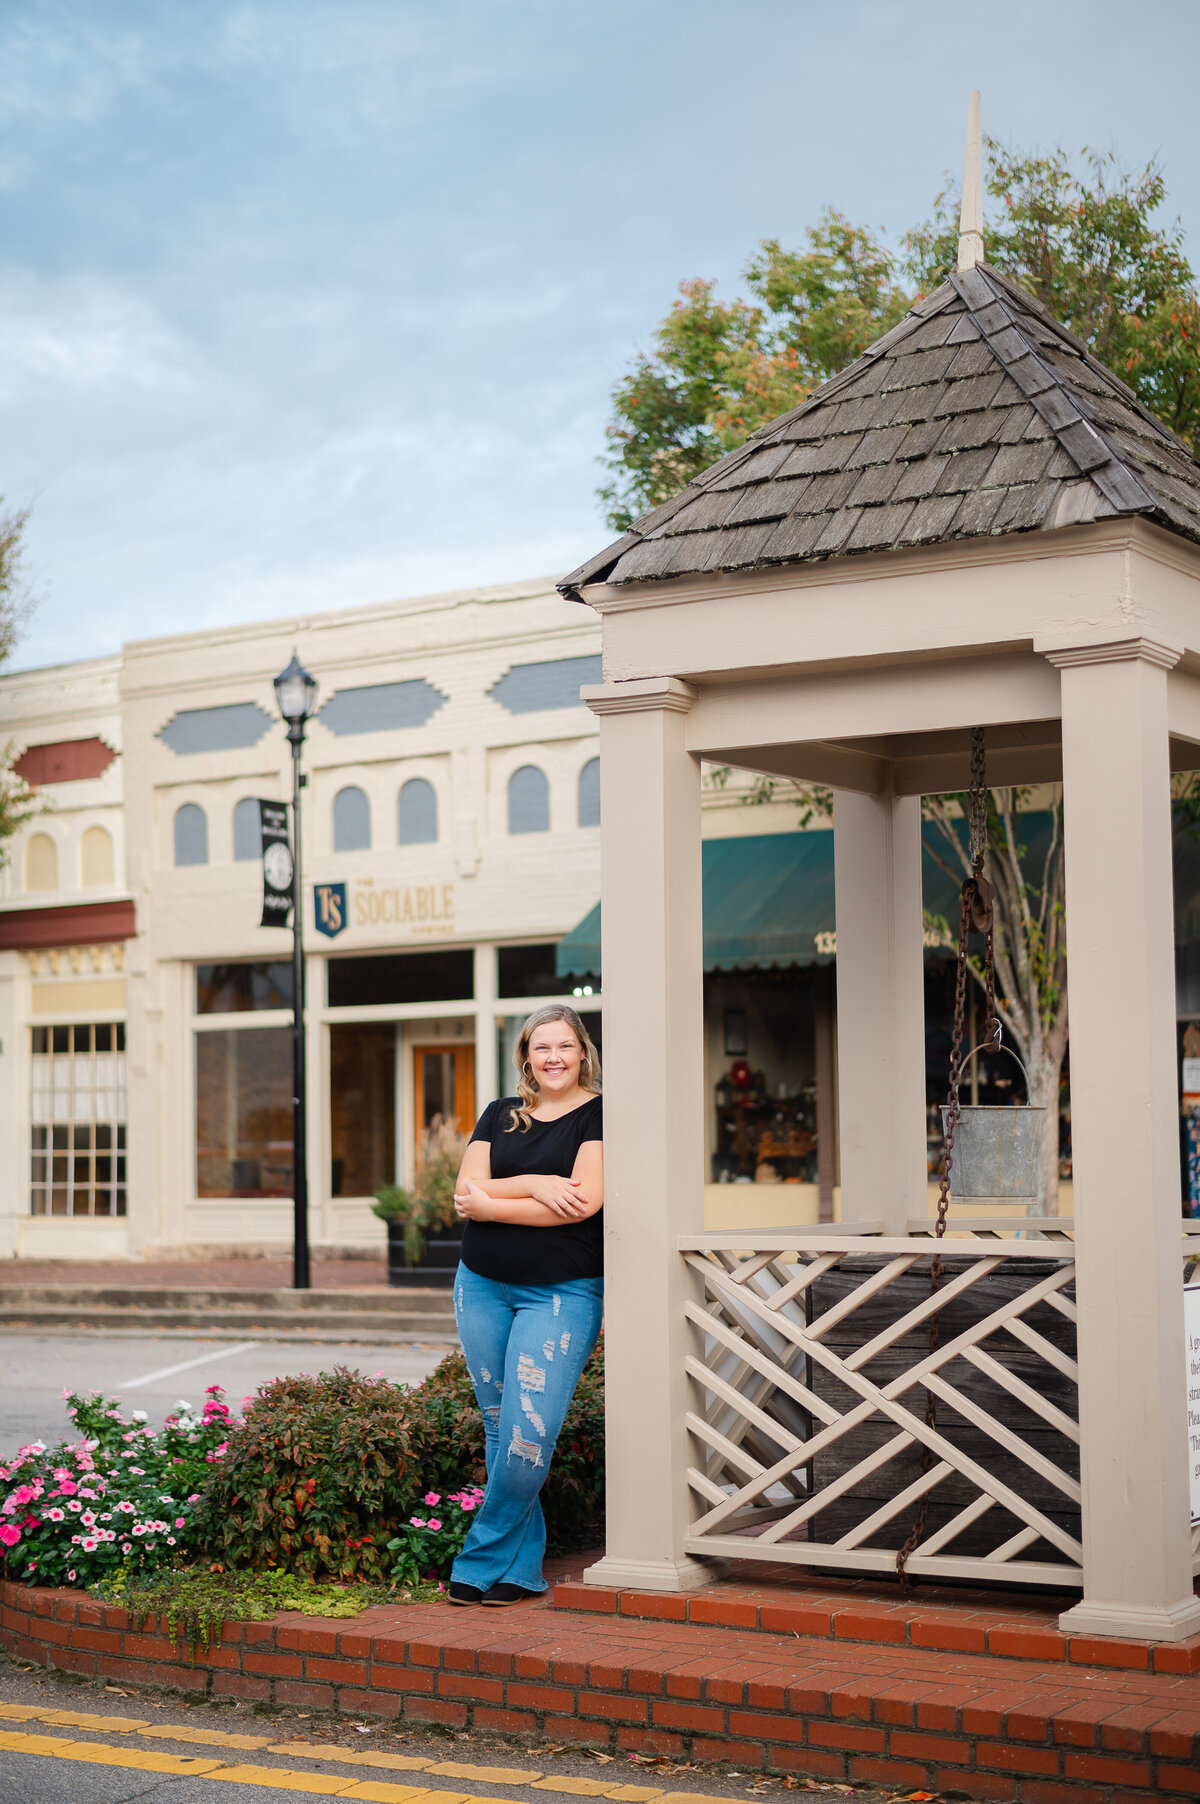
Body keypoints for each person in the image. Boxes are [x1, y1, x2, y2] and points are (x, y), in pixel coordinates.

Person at [446, 1004, 603, 1605]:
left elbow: (583, 1203)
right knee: (499, 1425)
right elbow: (465, 1191)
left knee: (528, 1433)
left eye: (565, 1046)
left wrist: (491, 1203)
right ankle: (518, 1571)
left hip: (561, 1293)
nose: (554, 1058)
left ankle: (479, 1554)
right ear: (526, 1058)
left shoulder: (598, 1115)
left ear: (582, 1051)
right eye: (542, 1048)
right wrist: (536, 1185)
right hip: (481, 1283)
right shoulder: (501, 1114)